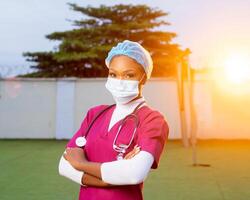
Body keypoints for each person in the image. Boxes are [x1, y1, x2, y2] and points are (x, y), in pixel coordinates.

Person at [58, 40, 169, 200]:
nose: (119, 81)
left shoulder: (152, 120)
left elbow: (134, 174)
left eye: (129, 75)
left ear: (144, 78)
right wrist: (110, 179)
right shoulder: (95, 114)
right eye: (113, 74)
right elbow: (64, 166)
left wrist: (81, 164)